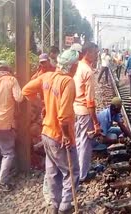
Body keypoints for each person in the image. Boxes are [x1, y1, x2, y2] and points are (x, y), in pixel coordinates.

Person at [22, 49, 80, 213]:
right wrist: (67, 136)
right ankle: (65, 206)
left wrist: (43, 105)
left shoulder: (47, 76)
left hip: (46, 132)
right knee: (71, 171)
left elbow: (26, 90)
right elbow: (64, 116)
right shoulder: (67, 82)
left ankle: (54, 205)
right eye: (76, 64)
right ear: (72, 66)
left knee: (53, 171)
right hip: (59, 135)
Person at [0, 60, 23, 192]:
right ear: (8, 69)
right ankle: (2, 182)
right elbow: (19, 98)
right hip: (4, 122)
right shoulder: (11, 80)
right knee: (8, 153)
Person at [73, 42, 101, 182]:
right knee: (85, 143)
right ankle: (82, 175)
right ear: (88, 52)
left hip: (75, 109)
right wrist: (95, 122)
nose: (97, 56)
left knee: (78, 141)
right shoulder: (88, 72)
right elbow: (90, 101)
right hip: (84, 111)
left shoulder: (77, 66)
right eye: (95, 53)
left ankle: (77, 171)